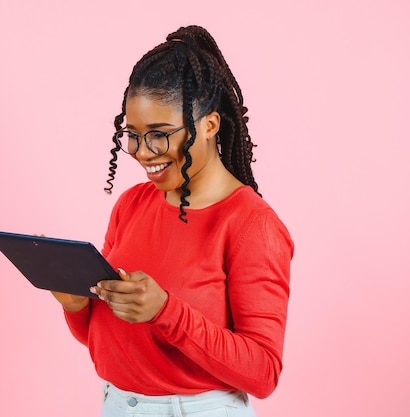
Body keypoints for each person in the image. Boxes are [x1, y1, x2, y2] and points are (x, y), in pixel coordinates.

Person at [51, 25, 293, 417]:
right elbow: (108, 342)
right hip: (117, 404)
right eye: (133, 135)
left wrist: (167, 311)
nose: (144, 153)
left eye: (160, 135)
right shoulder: (132, 204)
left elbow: (263, 372)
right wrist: (76, 306)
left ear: (210, 125)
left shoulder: (251, 225)